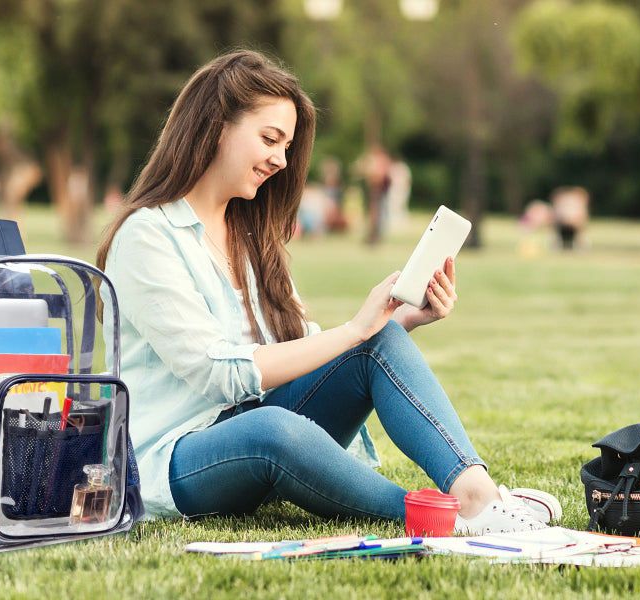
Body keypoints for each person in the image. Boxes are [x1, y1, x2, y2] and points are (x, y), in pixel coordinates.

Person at [96, 50, 560, 534]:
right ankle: (443, 517)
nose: (281, 159)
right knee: (273, 426)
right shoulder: (147, 236)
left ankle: (478, 497)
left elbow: (303, 348)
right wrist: (353, 329)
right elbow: (218, 375)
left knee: (375, 342)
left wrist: (389, 326)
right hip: (175, 459)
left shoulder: (251, 235)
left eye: (287, 145)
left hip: (263, 429)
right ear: (215, 127)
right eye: (270, 139)